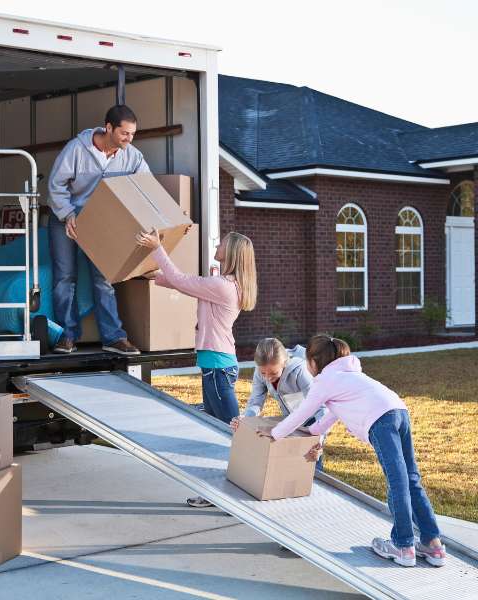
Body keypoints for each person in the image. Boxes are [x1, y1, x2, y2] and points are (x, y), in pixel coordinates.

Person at [257, 334, 446, 568]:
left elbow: (301, 412)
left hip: (381, 420)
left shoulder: (325, 381)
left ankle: (403, 545)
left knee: (397, 482)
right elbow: (332, 414)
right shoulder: (350, 376)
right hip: (399, 411)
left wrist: (275, 433)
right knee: (411, 479)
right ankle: (432, 543)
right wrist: (314, 431)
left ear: (314, 363)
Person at [137, 228, 257, 508]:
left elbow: (183, 280)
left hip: (217, 367)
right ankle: (219, 494)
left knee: (230, 435)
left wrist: (157, 248)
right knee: (218, 432)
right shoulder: (223, 284)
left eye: (223, 243)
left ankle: (238, 495)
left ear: (232, 253)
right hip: (216, 366)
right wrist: (156, 278)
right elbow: (184, 284)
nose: (218, 244)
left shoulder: (223, 286)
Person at [48, 104, 149, 355]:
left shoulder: (132, 156)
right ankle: (67, 335)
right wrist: (68, 214)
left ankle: (113, 337)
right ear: (108, 128)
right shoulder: (76, 149)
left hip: (101, 222)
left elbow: (145, 188)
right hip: (67, 217)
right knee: (65, 278)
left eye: (133, 134)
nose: (129, 139)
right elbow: (55, 185)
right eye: (125, 133)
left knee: (104, 279)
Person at [230, 337, 326, 470]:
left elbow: (321, 408)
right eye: (264, 373)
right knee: (291, 464)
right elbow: (256, 401)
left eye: (274, 373)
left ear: (284, 363)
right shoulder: (260, 372)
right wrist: (246, 418)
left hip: (313, 421)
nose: (268, 378)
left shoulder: (300, 372)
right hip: (290, 420)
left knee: (311, 463)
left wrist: (319, 440)